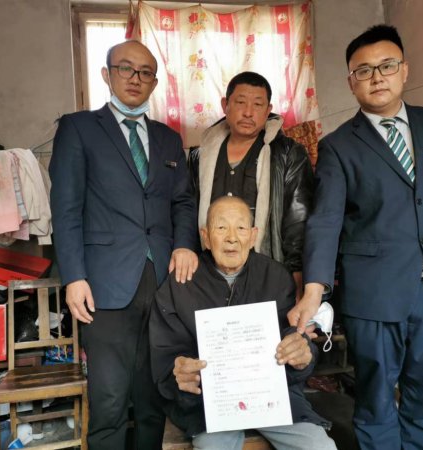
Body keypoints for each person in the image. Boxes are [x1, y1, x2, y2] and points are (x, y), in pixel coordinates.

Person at [288, 25, 423, 450]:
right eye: (363, 70)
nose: (377, 77)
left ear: (404, 70)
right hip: (373, 296)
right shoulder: (338, 146)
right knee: (376, 404)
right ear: (351, 82)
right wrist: (313, 289)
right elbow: (325, 221)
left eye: (386, 66)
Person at [49, 40, 199, 450]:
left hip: (163, 282)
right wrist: (74, 277)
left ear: (155, 82)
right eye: (125, 68)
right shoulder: (79, 128)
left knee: (154, 397)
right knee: (110, 400)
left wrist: (184, 244)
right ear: (107, 74)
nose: (135, 78)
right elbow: (66, 209)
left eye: (145, 72)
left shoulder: (168, 139)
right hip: (103, 283)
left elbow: (184, 202)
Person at [149, 196, 337, 450]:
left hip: (273, 398)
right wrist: (179, 374)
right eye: (221, 227)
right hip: (209, 404)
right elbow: (165, 357)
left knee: (319, 446)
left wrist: (303, 353)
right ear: (205, 237)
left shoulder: (275, 277)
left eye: (240, 228)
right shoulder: (181, 283)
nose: (231, 238)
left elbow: (294, 336)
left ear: (253, 236)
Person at [188, 71, 314, 299]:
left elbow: (298, 219)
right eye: (240, 102)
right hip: (209, 275)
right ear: (225, 105)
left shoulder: (288, 153)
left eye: (257, 104)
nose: (248, 112)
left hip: (267, 271)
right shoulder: (200, 156)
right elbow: (187, 211)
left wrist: (297, 273)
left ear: (268, 110)